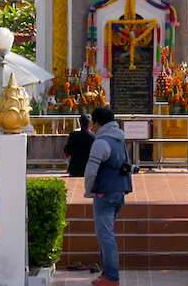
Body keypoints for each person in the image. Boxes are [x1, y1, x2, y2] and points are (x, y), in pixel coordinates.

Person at [81, 104, 131, 285]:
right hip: (119, 191)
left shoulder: (101, 142)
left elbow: (91, 171)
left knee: (105, 235)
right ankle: (106, 273)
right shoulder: (120, 140)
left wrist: (88, 190)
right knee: (106, 233)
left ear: (98, 123)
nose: (92, 127)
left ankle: (111, 276)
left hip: (104, 193)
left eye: (93, 123)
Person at [65, 112, 95, 178]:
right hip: (89, 170)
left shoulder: (73, 135)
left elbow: (67, 151)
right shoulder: (94, 137)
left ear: (80, 123)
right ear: (90, 124)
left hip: (74, 170)